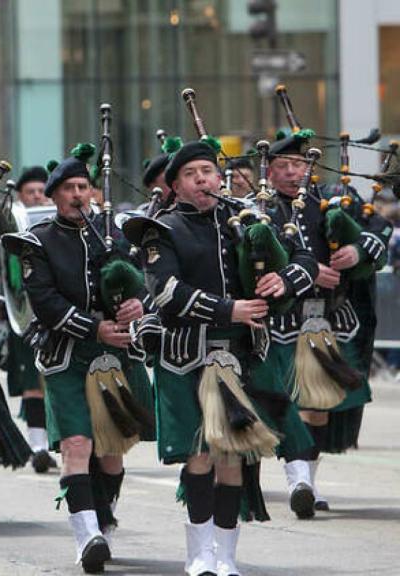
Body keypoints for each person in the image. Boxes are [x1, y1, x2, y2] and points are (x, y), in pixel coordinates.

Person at [141, 140, 317, 576]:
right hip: (186, 358)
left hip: (241, 357)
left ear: (219, 178)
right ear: (175, 186)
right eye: (190, 174)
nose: (202, 179)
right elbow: (166, 292)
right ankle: (199, 555)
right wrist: (228, 310)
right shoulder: (162, 230)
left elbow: (305, 258)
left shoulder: (248, 219)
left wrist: (284, 280)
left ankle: (226, 557)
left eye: (208, 171)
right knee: (199, 456)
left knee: (231, 458)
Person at [4, 146, 151, 574]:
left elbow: (141, 280)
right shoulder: (38, 242)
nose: (77, 194)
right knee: (76, 446)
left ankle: (102, 518)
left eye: (82, 186)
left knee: (112, 454)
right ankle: (87, 536)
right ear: (54, 196)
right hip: (67, 354)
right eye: (68, 188)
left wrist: (137, 302)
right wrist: (94, 327)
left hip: (115, 355)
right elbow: (45, 302)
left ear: (91, 191)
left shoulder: (114, 236)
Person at [265, 131, 388, 516]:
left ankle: (307, 481)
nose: (292, 172)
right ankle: (297, 478)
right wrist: (306, 272)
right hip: (281, 322)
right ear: (269, 172)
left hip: (328, 321)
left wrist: (356, 250)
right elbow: (250, 259)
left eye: (298, 164)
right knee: (290, 404)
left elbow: (379, 233)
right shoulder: (260, 211)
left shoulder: (333, 203)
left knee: (317, 407)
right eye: (283, 166)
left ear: (310, 168)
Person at [0, 165, 57, 473]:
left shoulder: (58, 220)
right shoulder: (9, 221)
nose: (36, 196)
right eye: (30, 191)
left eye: (41, 191)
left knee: (57, 379)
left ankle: (59, 440)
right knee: (32, 380)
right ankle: (38, 447)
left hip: (57, 308)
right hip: (22, 309)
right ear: (20, 195)